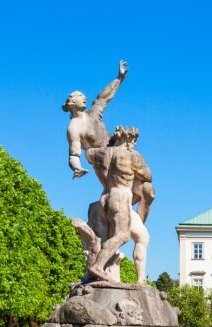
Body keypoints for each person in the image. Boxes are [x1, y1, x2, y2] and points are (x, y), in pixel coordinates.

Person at [83, 126, 152, 283]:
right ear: (127, 139)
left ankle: (141, 279)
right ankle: (98, 266)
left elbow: (88, 154)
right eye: (133, 139)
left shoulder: (103, 153)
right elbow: (147, 175)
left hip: (105, 198)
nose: (134, 143)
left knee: (142, 236)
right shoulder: (132, 156)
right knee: (122, 235)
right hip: (121, 198)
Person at [63, 61, 127, 181]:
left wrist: (120, 77)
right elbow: (74, 154)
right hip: (101, 159)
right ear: (72, 103)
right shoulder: (74, 128)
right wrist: (77, 168)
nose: (84, 98)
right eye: (80, 97)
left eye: (83, 97)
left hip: (114, 148)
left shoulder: (93, 114)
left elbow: (104, 97)